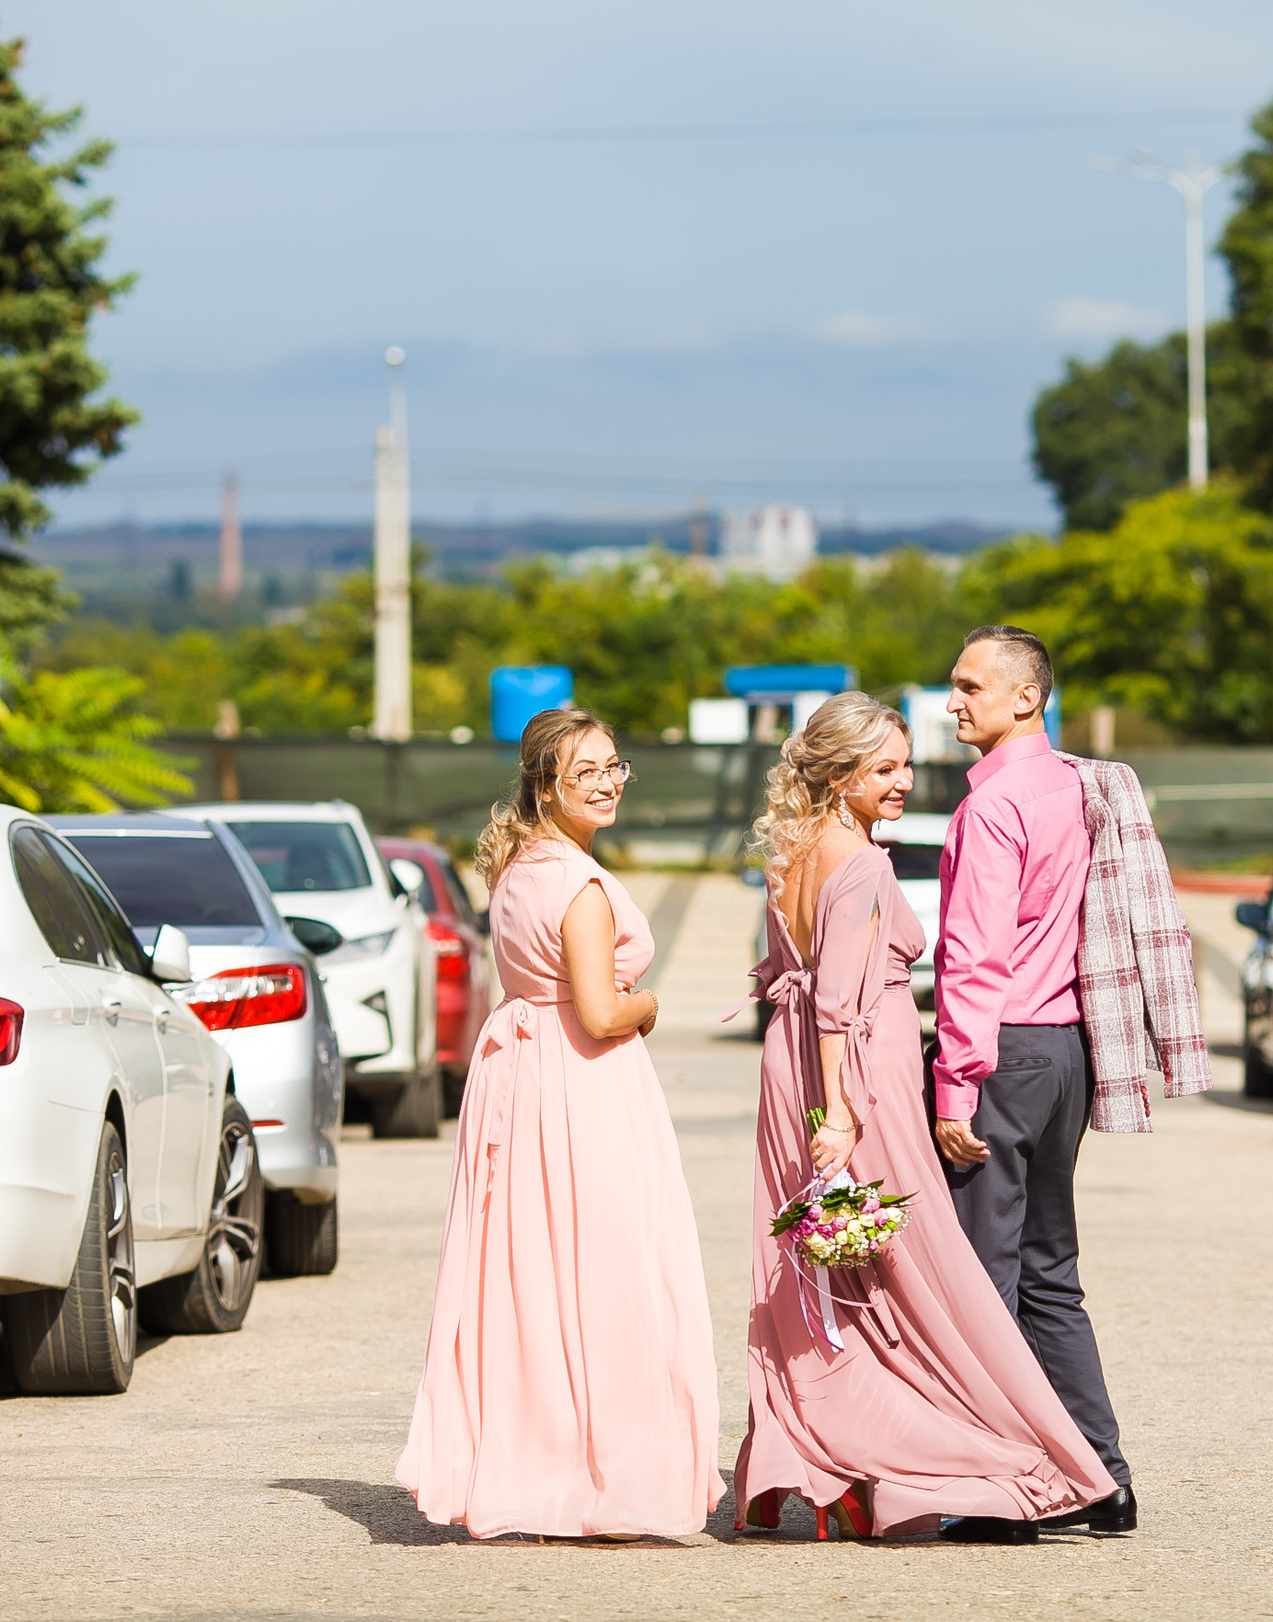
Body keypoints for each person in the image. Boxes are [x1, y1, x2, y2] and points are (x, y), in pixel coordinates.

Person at [734, 692, 1114, 1542]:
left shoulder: (793, 850)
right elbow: (837, 1003)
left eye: (905, 764)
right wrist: (840, 1116)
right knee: (919, 1271)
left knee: (820, 1270)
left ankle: (808, 1458)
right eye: (884, 769)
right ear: (837, 776)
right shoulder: (862, 866)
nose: (905, 781)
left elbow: (788, 980)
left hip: (789, 1068)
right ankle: (999, 1446)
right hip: (856, 1081)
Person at [395, 709, 722, 1542]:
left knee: (528, 1277)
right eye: (589, 771)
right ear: (546, 783)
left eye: (616, 767)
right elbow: (604, 1009)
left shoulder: (514, 870)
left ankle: (534, 1461)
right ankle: (596, 1475)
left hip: (521, 1079)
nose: (609, 783)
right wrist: (651, 1003)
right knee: (607, 1273)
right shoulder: (576, 884)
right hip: (582, 1085)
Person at [931, 625, 1209, 1543]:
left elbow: (973, 957)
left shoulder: (993, 805)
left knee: (986, 1277)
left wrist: (953, 1085)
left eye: (972, 685)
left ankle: (1006, 1491)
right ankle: (1104, 1479)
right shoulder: (1080, 787)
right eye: (954, 685)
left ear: (1027, 696)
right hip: (1067, 1052)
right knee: (1051, 1273)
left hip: (1002, 1050)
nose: (953, 702)